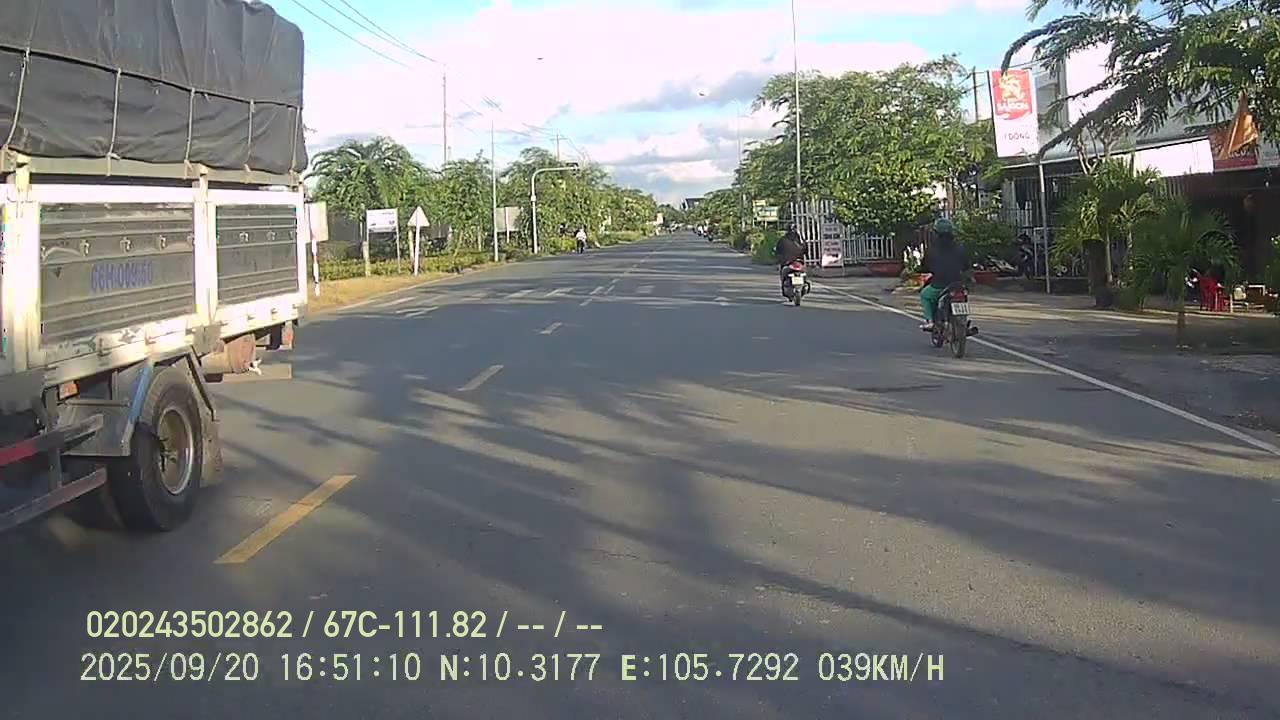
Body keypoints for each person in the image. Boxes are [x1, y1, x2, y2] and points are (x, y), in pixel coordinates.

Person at [918, 217, 967, 330]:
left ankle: (930, 321)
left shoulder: (932, 249)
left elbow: (925, 265)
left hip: (939, 284)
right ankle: (963, 322)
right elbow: (966, 265)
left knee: (925, 295)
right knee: (963, 296)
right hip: (957, 283)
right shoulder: (959, 247)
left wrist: (922, 269)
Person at [774, 225, 806, 299]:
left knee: (783, 273)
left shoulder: (783, 239)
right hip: (798, 261)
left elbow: (778, 250)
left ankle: (786, 288)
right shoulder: (800, 239)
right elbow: (805, 248)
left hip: (787, 262)